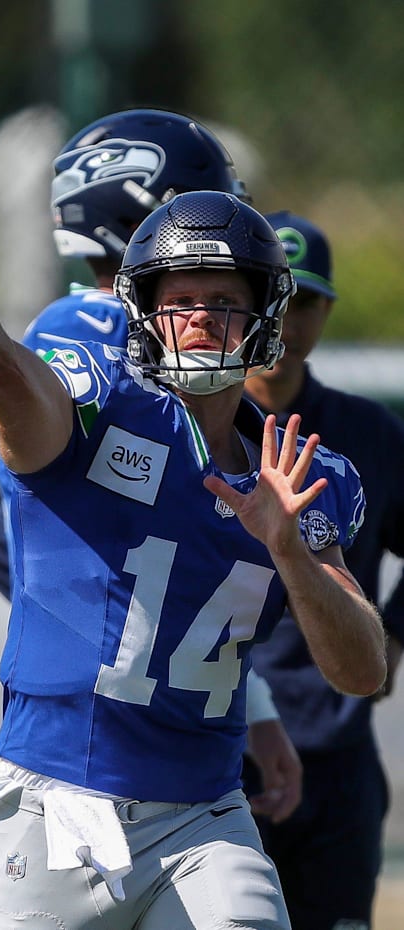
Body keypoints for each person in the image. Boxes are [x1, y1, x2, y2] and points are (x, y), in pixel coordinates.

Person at [0, 110, 387, 930]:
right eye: (180, 300)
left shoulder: (301, 476)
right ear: (140, 313)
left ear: (265, 318)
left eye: (224, 301)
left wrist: (292, 554)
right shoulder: (97, 405)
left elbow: (362, 670)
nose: (199, 318)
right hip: (57, 803)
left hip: (206, 814)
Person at [0, 108, 303, 827]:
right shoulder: (90, 330)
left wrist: (245, 699)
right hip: (84, 756)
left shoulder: (162, 335)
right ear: (143, 212)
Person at [242, 210, 404, 930]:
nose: (285, 320)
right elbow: (7, 546)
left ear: (327, 311)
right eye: (269, 298)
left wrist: (389, 637)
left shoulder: (367, 432)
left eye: (303, 301)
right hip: (222, 748)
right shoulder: (197, 429)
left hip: (337, 748)